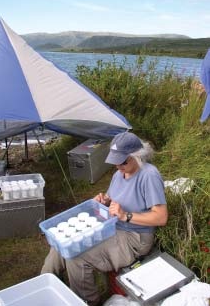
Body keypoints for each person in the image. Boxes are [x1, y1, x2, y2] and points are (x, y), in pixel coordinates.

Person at [41, 131, 168, 306]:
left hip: (134, 237)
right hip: (112, 227)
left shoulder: (149, 175)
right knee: (61, 243)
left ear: (136, 156)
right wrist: (104, 201)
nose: (118, 166)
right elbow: (112, 200)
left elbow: (161, 217)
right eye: (115, 161)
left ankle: (87, 302)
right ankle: (44, 289)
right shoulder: (119, 174)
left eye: (122, 161)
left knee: (77, 258)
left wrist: (126, 215)